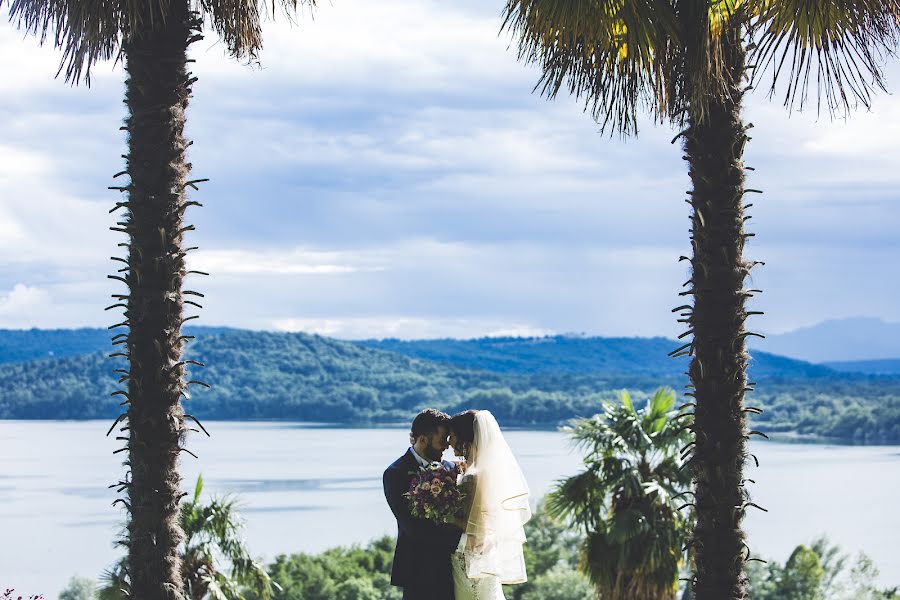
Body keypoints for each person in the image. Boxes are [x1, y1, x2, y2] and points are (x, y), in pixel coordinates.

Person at [448, 409, 532, 600]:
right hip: (482, 554)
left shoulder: (471, 478)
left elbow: (476, 526)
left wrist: (443, 517)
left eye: (452, 436)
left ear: (464, 439)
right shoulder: (479, 472)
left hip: (467, 557)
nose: (449, 442)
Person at [383, 408, 463, 600]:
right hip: (418, 570)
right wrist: (461, 536)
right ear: (423, 439)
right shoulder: (395, 473)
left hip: (453, 568)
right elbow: (413, 527)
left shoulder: (452, 468)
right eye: (442, 440)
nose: (446, 446)